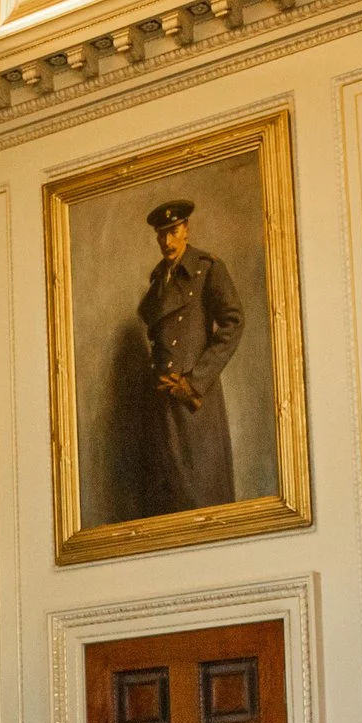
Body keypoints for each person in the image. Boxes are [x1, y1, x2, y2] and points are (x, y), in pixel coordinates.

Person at [134, 198, 244, 517]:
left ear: (186, 229)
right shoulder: (159, 280)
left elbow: (233, 322)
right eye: (161, 234)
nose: (167, 242)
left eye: (172, 231)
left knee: (203, 496)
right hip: (162, 402)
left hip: (195, 401)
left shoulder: (207, 269)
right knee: (168, 499)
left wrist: (195, 382)